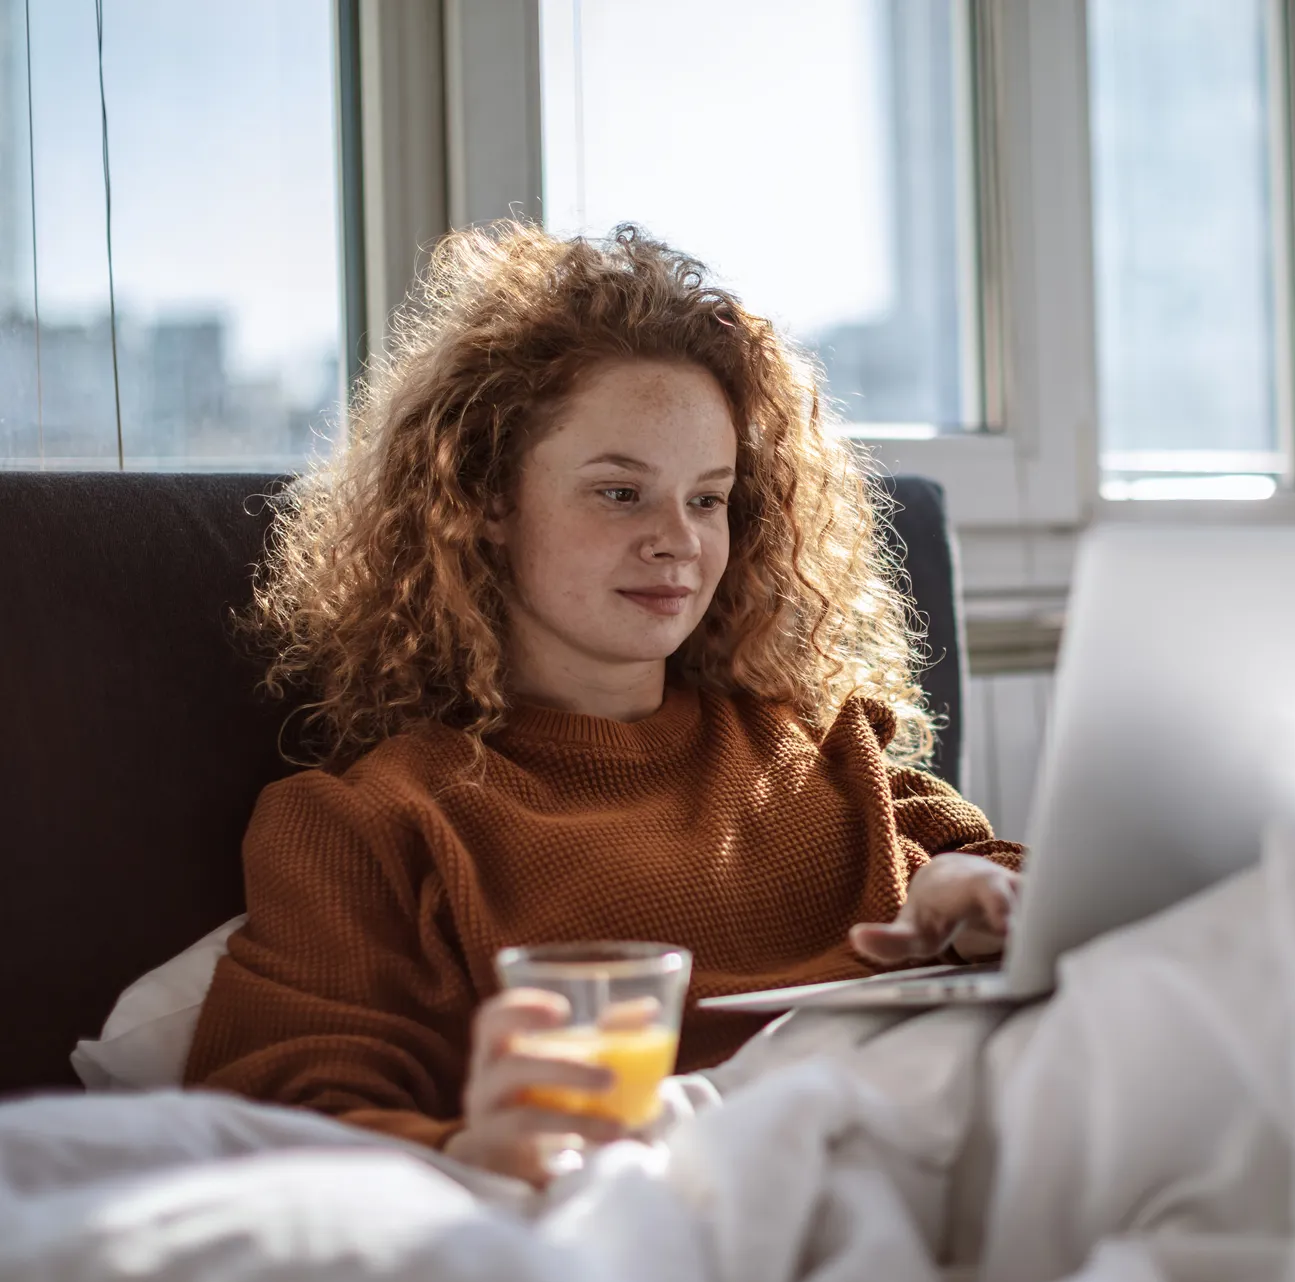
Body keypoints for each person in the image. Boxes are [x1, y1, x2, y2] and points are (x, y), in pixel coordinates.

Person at [183, 223, 1022, 1184]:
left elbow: (1030, 893)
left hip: (953, 1145)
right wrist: (470, 1149)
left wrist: (983, 897)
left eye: (708, 499)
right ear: (486, 501)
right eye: (621, 493)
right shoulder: (375, 823)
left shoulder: (828, 751)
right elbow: (280, 1114)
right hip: (687, 1192)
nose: (679, 541)